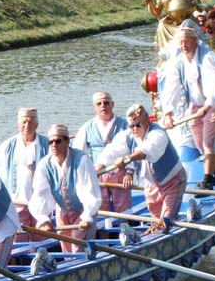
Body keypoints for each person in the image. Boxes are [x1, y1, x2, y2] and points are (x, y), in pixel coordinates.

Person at [158, 24, 215, 190]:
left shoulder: (208, 57)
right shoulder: (178, 62)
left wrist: (208, 103)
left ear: (195, 41)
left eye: (186, 42)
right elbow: (171, 87)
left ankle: (207, 181)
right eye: (181, 42)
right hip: (195, 104)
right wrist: (168, 113)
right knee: (199, 142)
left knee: (208, 142)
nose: (183, 46)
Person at [98, 104, 187, 235]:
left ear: (146, 121)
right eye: (131, 126)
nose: (134, 129)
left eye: (138, 125)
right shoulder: (127, 136)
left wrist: (128, 158)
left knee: (164, 221)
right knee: (155, 220)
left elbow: (146, 150)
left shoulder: (158, 133)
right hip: (151, 184)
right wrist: (96, 171)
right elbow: (109, 154)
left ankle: (167, 228)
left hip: (173, 181)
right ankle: (154, 234)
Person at [29, 124, 102, 253]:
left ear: (67, 141)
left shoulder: (82, 160)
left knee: (79, 249)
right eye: (50, 142)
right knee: (66, 249)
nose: (54, 145)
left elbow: (89, 192)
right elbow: (39, 195)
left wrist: (87, 217)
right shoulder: (44, 165)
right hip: (62, 210)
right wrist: (43, 219)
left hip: (83, 210)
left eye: (58, 141)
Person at [0, 107, 51, 230]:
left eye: (31, 122)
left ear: (37, 124)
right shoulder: (8, 145)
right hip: (17, 203)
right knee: (19, 238)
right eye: (24, 122)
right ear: (18, 124)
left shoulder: (47, 144)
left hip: (41, 203)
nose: (27, 125)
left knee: (42, 239)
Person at [72, 91, 132, 214]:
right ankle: (103, 233)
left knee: (123, 209)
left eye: (106, 103)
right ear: (94, 107)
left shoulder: (125, 125)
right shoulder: (87, 127)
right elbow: (78, 152)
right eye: (99, 104)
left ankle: (124, 231)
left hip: (120, 173)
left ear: (112, 105)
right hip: (98, 174)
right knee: (100, 209)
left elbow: (134, 149)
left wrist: (130, 172)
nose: (103, 106)